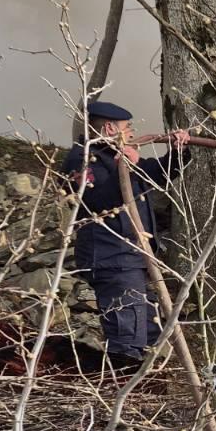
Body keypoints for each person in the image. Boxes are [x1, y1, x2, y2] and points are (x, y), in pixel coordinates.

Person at [62, 100, 191, 368]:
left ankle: (148, 393)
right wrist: (127, 166)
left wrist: (178, 152)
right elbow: (96, 201)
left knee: (149, 328)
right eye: (127, 127)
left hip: (133, 258)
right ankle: (123, 396)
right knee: (127, 337)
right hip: (112, 258)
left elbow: (156, 174)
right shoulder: (83, 158)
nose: (131, 133)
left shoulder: (114, 155)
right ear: (109, 128)